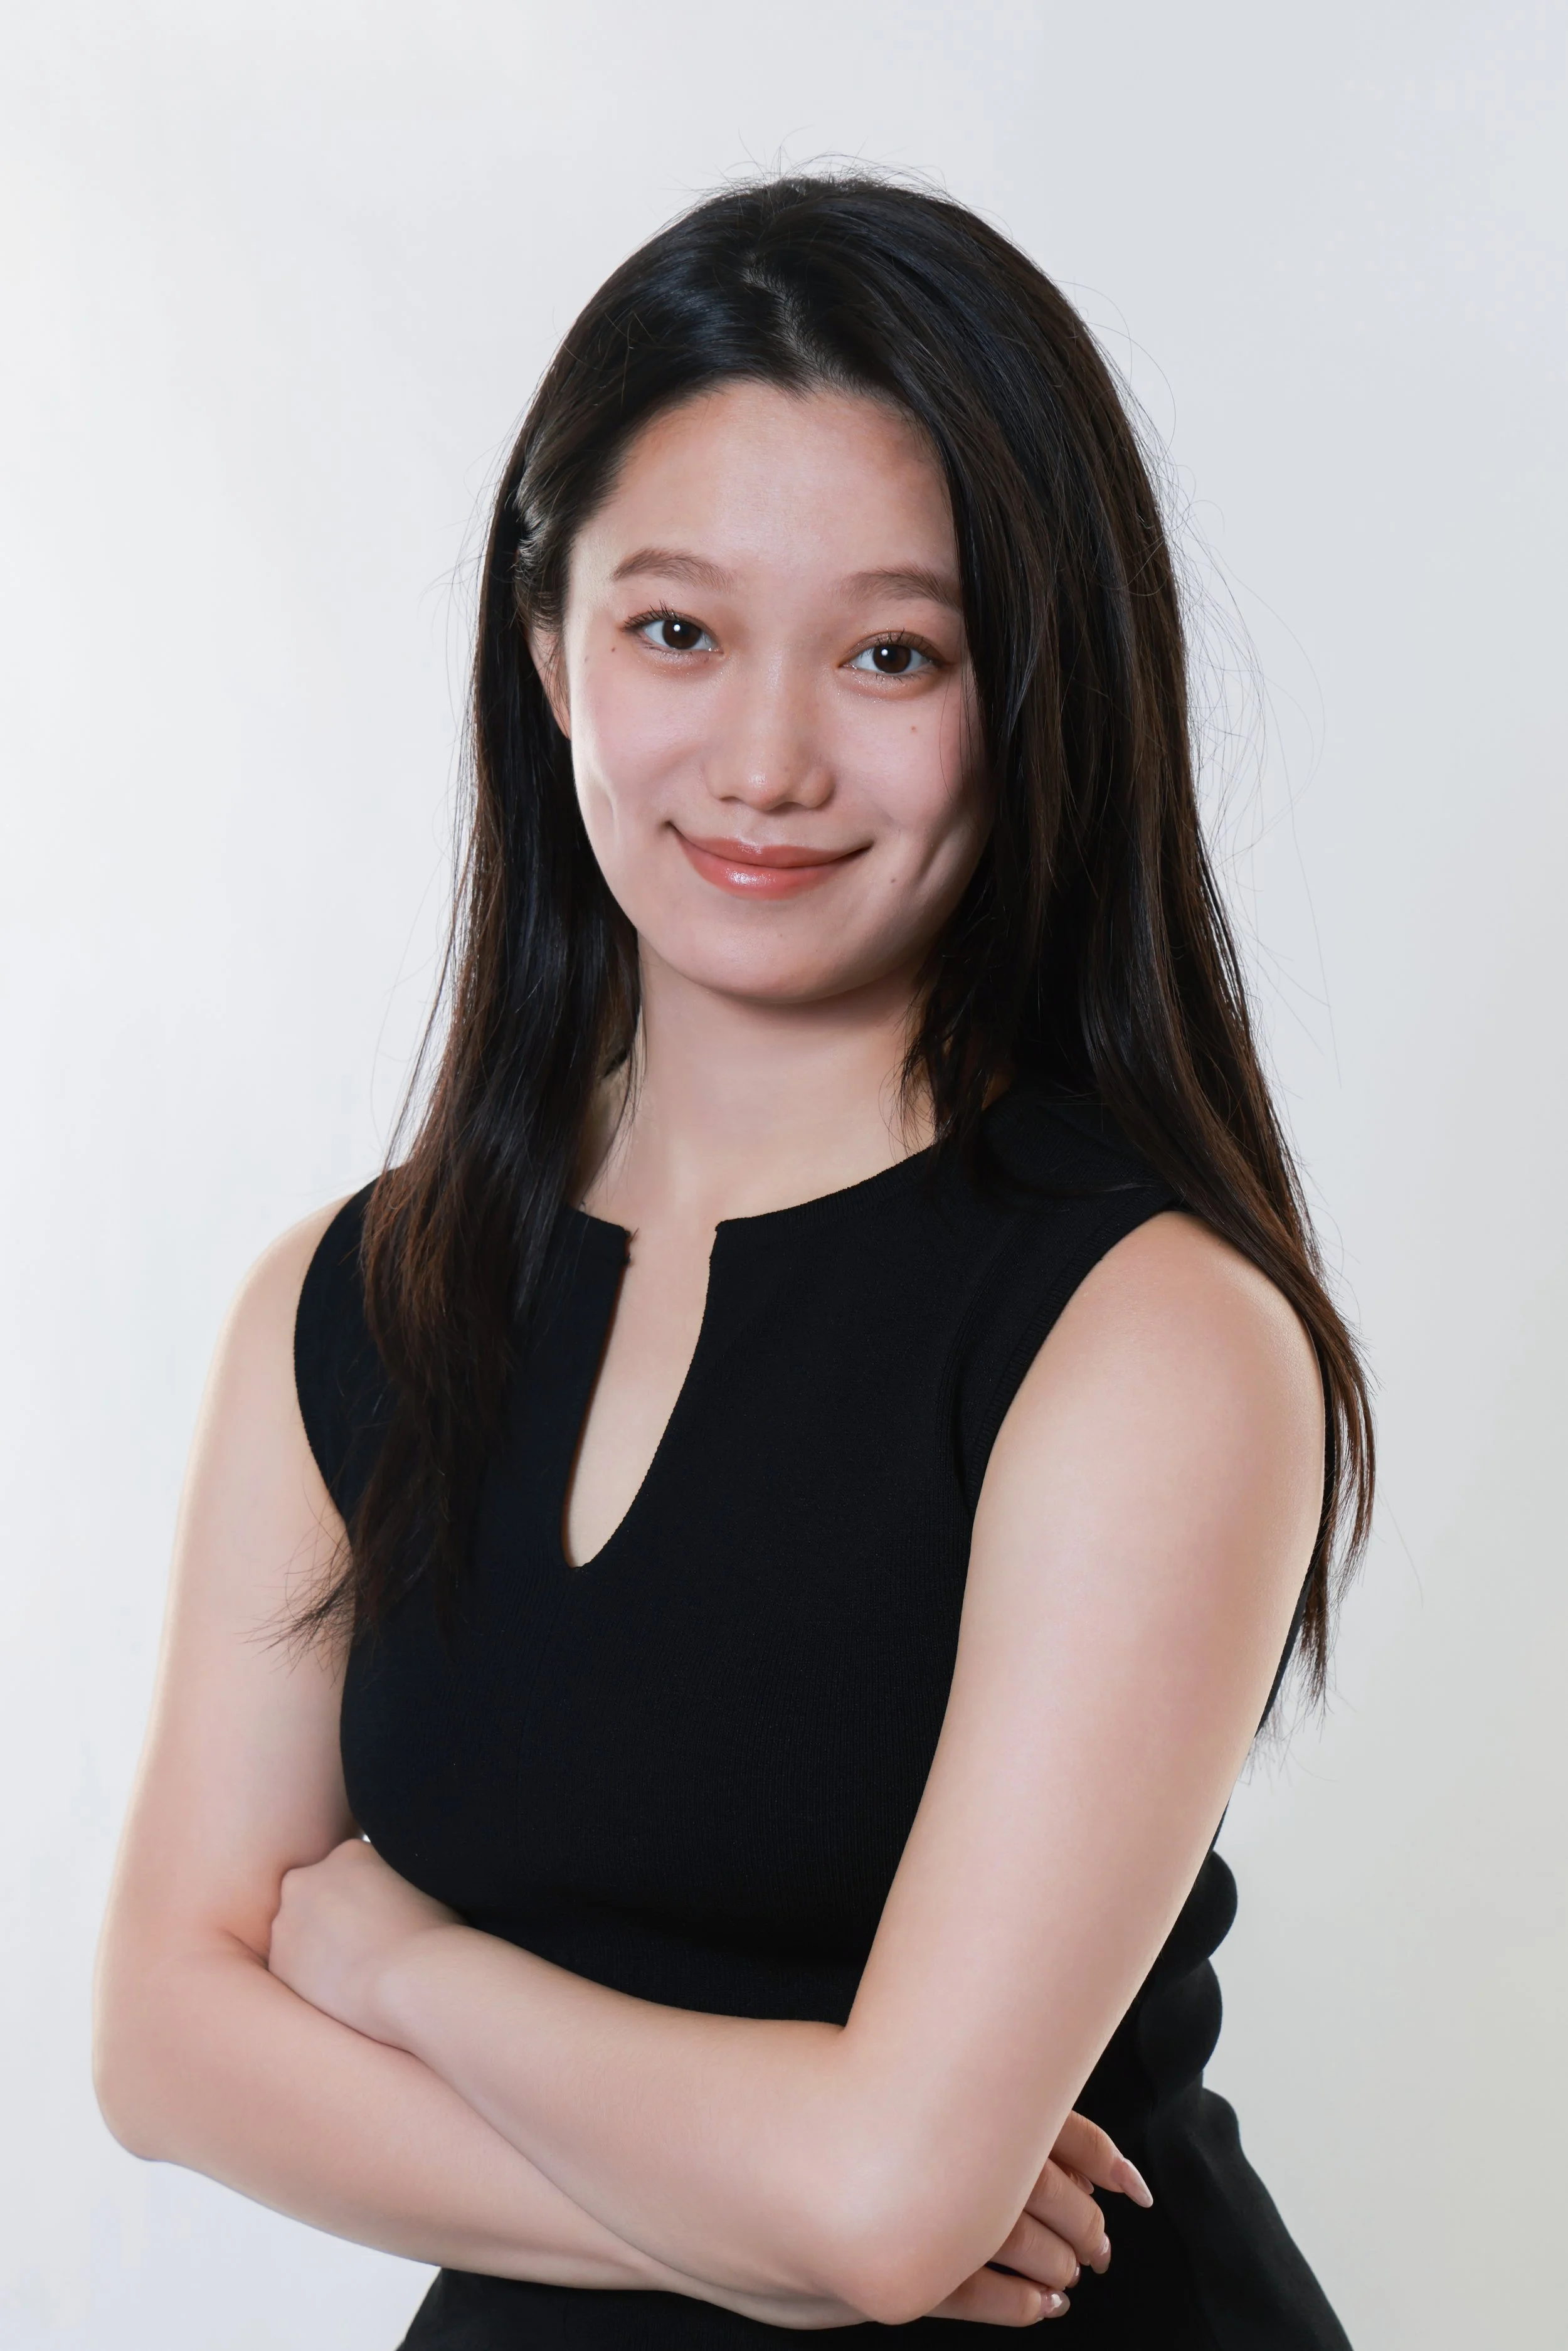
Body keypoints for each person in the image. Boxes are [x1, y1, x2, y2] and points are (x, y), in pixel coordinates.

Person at [93, 174, 1370, 2348]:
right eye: (675, 629)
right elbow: (160, 2045)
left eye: (892, 652)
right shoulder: (353, 1303)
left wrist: (403, 1964)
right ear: (548, 648)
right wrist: (784, 2198)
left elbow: (884, 2211)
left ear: (1030, 693)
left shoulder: (1150, 1332)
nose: (768, 759)